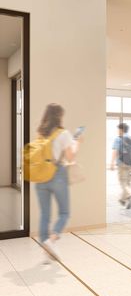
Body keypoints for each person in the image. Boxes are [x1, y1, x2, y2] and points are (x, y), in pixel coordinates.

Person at [34, 104, 80, 263]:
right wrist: (77, 143)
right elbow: (70, 157)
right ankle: (51, 241)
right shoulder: (63, 133)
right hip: (57, 175)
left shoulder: (40, 133)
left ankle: (45, 253)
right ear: (60, 116)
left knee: (44, 215)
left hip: (40, 176)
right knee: (64, 213)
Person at [110, 122, 131, 209]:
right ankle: (123, 199)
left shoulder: (118, 139)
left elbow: (115, 151)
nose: (117, 131)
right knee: (128, 182)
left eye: (118, 129)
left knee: (122, 182)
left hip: (121, 164)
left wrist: (112, 163)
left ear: (121, 130)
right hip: (130, 164)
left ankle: (130, 196)